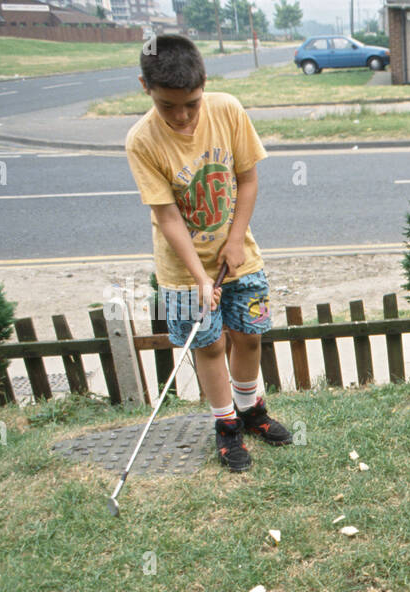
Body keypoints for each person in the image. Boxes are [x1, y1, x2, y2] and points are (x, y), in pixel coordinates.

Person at [125, 34, 291, 472]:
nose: (181, 116)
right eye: (167, 106)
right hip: (182, 270)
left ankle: (250, 410)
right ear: (145, 87)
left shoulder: (228, 110)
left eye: (191, 104)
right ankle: (226, 427)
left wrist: (235, 240)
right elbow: (166, 215)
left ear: (204, 86)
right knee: (210, 345)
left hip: (241, 255)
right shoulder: (141, 141)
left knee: (250, 334)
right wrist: (200, 277)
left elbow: (248, 180)